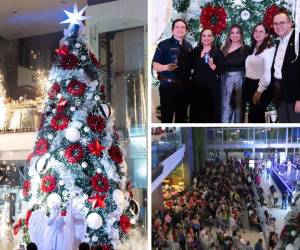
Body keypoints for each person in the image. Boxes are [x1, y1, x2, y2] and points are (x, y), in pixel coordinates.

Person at [152, 19, 193, 123]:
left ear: (186, 30)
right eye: (177, 27)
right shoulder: (163, 45)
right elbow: (155, 65)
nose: (180, 29)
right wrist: (167, 67)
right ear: (172, 30)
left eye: (183, 27)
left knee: (182, 118)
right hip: (168, 88)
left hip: (184, 87)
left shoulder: (189, 46)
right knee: (166, 118)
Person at [242, 23, 275, 122]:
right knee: (254, 115)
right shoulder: (252, 48)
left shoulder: (269, 49)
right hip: (249, 85)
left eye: (261, 31)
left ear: (266, 35)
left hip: (261, 87)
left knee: (255, 115)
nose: (258, 33)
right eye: (256, 31)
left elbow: (267, 72)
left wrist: (260, 90)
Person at [190, 28, 224, 122]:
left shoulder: (217, 52)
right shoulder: (196, 50)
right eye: (204, 35)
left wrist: (213, 66)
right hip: (196, 88)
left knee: (210, 114)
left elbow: (221, 70)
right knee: (197, 114)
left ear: (213, 38)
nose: (206, 38)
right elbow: (190, 66)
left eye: (209, 35)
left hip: (211, 89)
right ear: (201, 38)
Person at [272, 10, 300, 122]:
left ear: (290, 23)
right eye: (276, 24)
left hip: (295, 97)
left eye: (282, 23)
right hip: (279, 94)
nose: (278, 26)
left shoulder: (298, 40)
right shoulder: (278, 42)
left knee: (296, 132)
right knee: (284, 129)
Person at [221, 24, 249, 123]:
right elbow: (220, 67)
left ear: (241, 34)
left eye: (237, 32)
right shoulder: (224, 49)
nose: (235, 35)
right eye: (232, 33)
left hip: (240, 83)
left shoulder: (246, 49)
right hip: (225, 82)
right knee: (225, 108)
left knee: (239, 109)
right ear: (229, 35)